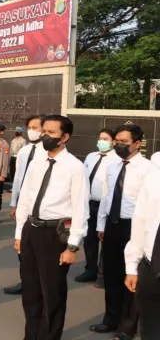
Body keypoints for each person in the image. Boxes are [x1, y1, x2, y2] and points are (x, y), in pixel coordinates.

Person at [14, 115, 88, 340]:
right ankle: (32, 334)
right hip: (30, 230)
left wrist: (72, 247)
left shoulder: (75, 167)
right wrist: (19, 233)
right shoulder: (37, 163)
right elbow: (25, 199)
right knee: (31, 290)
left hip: (54, 234)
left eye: (51, 133)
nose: (44, 136)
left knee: (52, 292)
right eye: (43, 131)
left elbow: (80, 210)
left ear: (64, 137)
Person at [90, 125, 156, 340]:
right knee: (111, 274)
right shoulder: (112, 165)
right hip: (112, 224)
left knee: (132, 277)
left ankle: (127, 327)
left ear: (137, 144)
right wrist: (101, 224)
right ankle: (110, 318)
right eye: (116, 140)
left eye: (123, 141)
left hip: (133, 227)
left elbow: (149, 208)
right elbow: (107, 197)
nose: (118, 144)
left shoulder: (148, 170)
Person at [4, 114, 47, 296]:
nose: (32, 130)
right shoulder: (23, 151)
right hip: (23, 205)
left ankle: (40, 284)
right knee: (22, 247)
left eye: (36, 127)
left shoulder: (47, 152)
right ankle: (26, 281)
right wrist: (14, 203)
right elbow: (18, 179)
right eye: (30, 126)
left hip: (39, 208)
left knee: (40, 250)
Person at [75, 129, 120, 284]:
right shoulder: (90, 157)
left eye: (105, 139)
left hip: (106, 206)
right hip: (89, 203)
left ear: (114, 142)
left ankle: (103, 273)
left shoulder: (117, 160)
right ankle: (90, 270)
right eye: (100, 138)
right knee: (89, 240)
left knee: (105, 239)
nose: (102, 141)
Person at [124, 168, 160, 340]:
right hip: (150, 267)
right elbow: (140, 221)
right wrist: (132, 266)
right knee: (150, 330)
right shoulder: (154, 178)